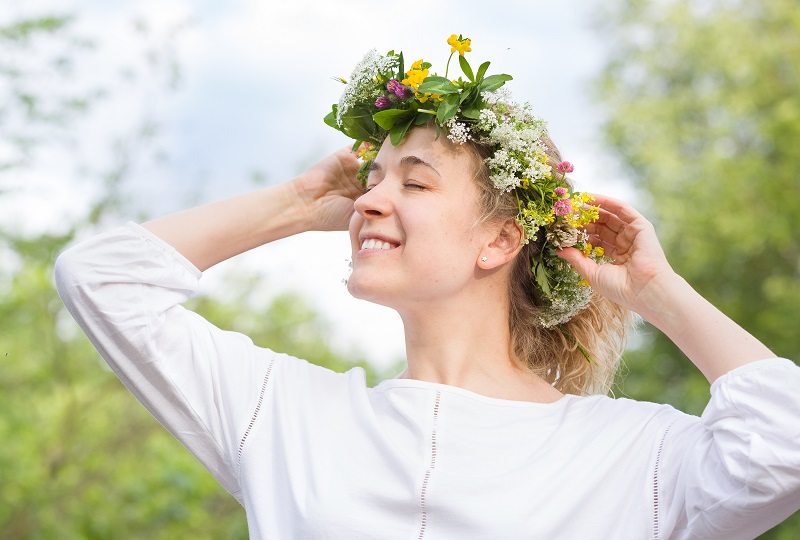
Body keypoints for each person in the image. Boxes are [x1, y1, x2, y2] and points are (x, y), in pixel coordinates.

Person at [55, 36, 800, 539]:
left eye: (415, 181)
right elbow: (101, 280)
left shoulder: (631, 455)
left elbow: (783, 447)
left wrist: (656, 293)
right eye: (370, 181)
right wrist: (295, 204)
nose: (371, 201)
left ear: (500, 240)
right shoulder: (282, 417)